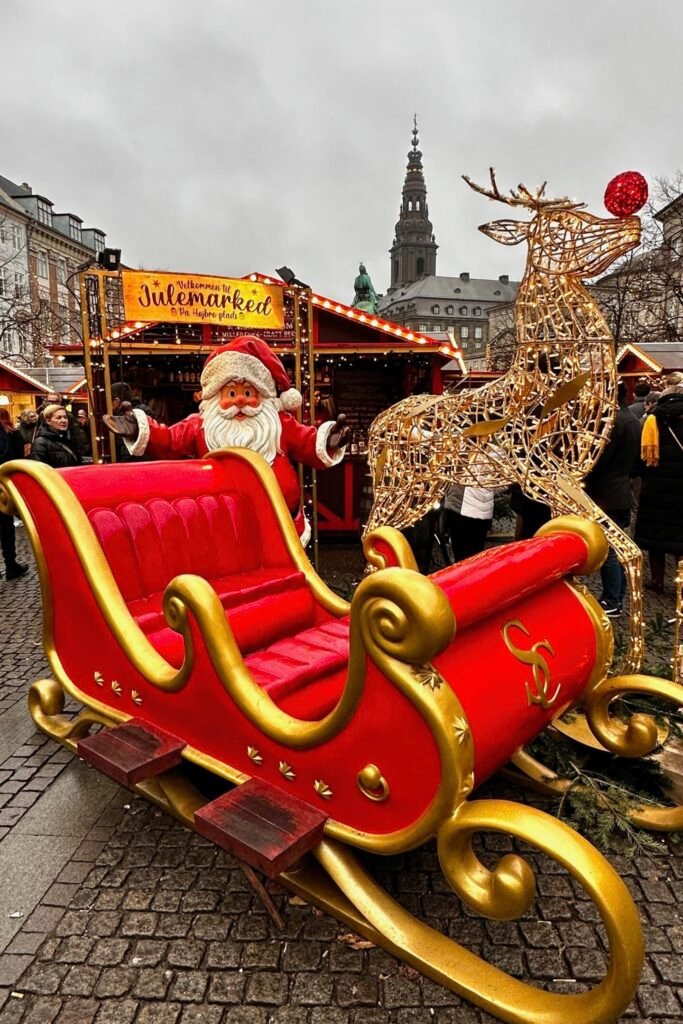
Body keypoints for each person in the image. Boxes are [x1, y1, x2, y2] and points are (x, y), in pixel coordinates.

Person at [104, 336, 349, 541]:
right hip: (219, 521)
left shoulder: (278, 423)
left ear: (262, 397)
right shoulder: (201, 424)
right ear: (215, 396)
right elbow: (169, 440)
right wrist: (140, 428)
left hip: (280, 522)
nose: (240, 401)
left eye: (248, 393)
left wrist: (328, 440)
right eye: (231, 393)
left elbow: (307, 441)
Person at [584, 381, 642, 616]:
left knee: (608, 548)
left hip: (606, 492)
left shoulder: (613, 422)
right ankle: (617, 596)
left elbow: (600, 460)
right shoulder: (633, 420)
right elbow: (638, 462)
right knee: (618, 545)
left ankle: (611, 599)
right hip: (621, 489)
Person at [635, 388, 683, 592]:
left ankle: (657, 581)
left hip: (656, 488)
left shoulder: (653, 420)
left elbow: (643, 457)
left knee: (656, 540)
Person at [0, 408, 29, 580]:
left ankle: (11, 565)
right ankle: (11, 564)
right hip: (4, 485)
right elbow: (16, 458)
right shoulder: (11, 434)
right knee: (6, 526)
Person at [442, 482, 495, 563]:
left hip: (461, 509)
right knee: (475, 555)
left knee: (462, 556)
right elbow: (505, 483)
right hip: (482, 511)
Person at [31, 404, 83, 469]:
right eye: (59, 418)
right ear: (48, 421)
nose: (64, 421)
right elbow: (40, 471)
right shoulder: (40, 443)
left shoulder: (68, 439)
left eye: (65, 417)